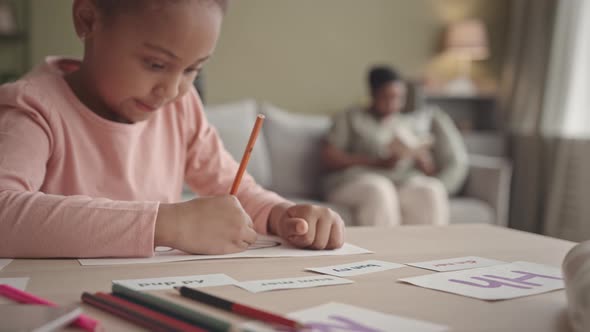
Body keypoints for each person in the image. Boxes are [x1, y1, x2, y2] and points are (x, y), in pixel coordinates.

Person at [0, 0, 344, 258]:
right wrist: (167, 224)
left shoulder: (181, 107)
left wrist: (283, 214)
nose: (172, 90)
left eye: (192, 69)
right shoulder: (33, 107)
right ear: (88, 19)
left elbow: (233, 188)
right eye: (156, 64)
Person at [320, 65, 469, 227]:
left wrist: (421, 159)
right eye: (387, 97)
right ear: (373, 94)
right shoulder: (351, 118)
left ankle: (429, 252)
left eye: (399, 98)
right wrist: (376, 162)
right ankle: (385, 252)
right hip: (356, 181)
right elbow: (329, 157)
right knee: (380, 189)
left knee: (431, 189)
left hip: (401, 181)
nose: (393, 104)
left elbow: (429, 172)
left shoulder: (407, 123)